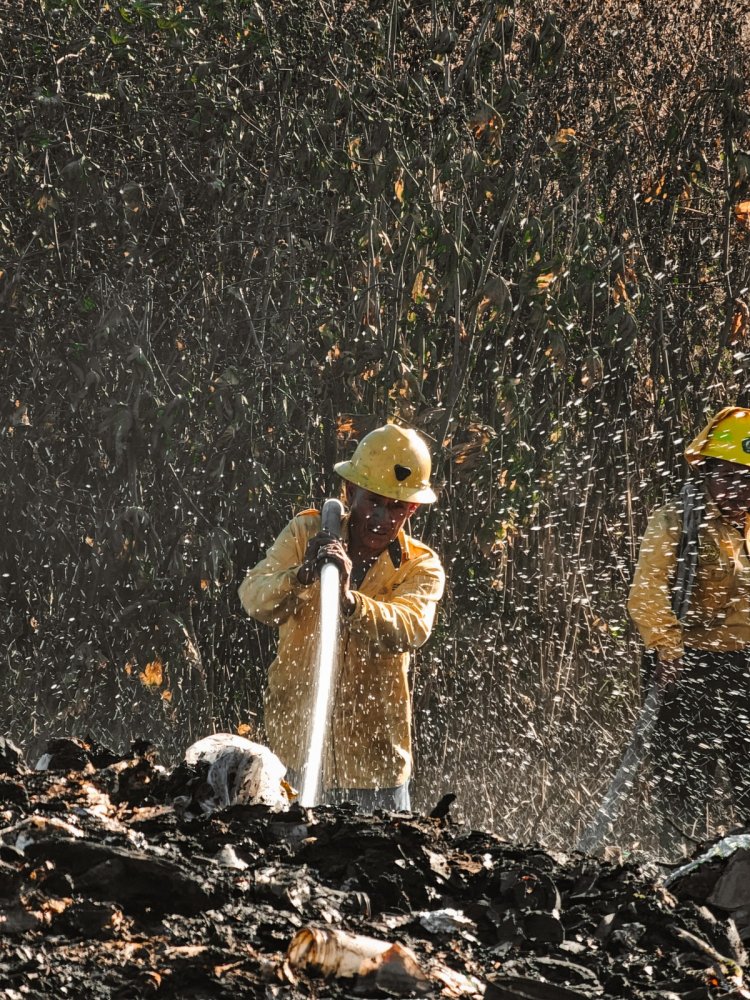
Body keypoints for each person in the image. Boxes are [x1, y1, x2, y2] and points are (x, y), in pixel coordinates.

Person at [238, 424, 445, 811]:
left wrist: (349, 601)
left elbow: (411, 627)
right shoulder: (307, 533)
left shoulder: (421, 565)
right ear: (350, 494)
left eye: (396, 507)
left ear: (412, 509)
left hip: (375, 772)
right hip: (295, 754)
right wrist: (302, 576)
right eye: (373, 502)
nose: (382, 518)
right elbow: (253, 597)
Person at [628, 406, 750, 846]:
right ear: (708, 474)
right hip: (686, 666)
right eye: (727, 475)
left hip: (744, 667)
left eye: (747, 478)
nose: (737, 489)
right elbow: (647, 592)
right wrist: (667, 648)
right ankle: (681, 870)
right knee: (683, 786)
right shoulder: (677, 521)